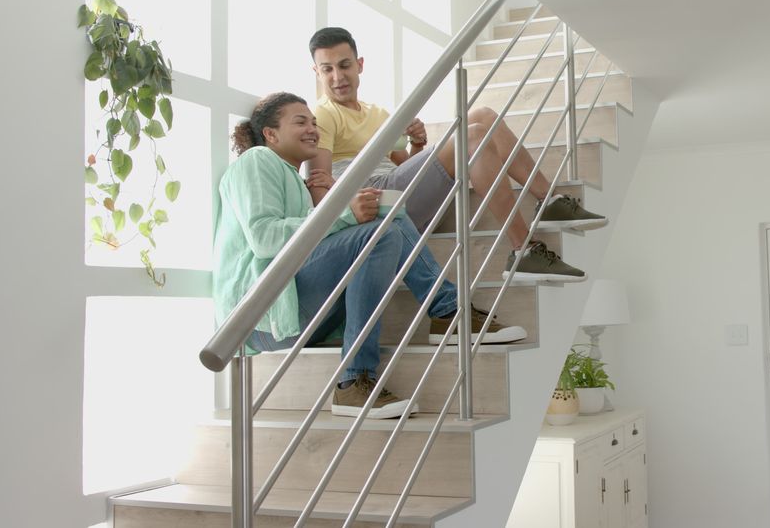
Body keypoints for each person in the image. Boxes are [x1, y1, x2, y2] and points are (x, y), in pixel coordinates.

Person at [213, 92, 525, 419]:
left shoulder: (295, 180)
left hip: (295, 312)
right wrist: (345, 214)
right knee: (382, 229)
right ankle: (358, 379)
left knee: (388, 216)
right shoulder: (258, 160)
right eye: (300, 122)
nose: (312, 129)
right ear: (271, 134)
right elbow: (264, 238)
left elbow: (310, 244)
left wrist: (346, 207)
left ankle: (447, 311)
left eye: (314, 123)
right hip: (260, 319)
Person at [306, 27, 608, 284]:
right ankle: (523, 249)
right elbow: (321, 190)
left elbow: (403, 166)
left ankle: (550, 200)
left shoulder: (378, 113)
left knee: (482, 115)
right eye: (327, 69)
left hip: (398, 189)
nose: (337, 76)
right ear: (316, 73)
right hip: (376, 202)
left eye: (344, 65)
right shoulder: (323, 114)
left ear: (359, 64)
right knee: (473, 134)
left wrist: (418, 145)